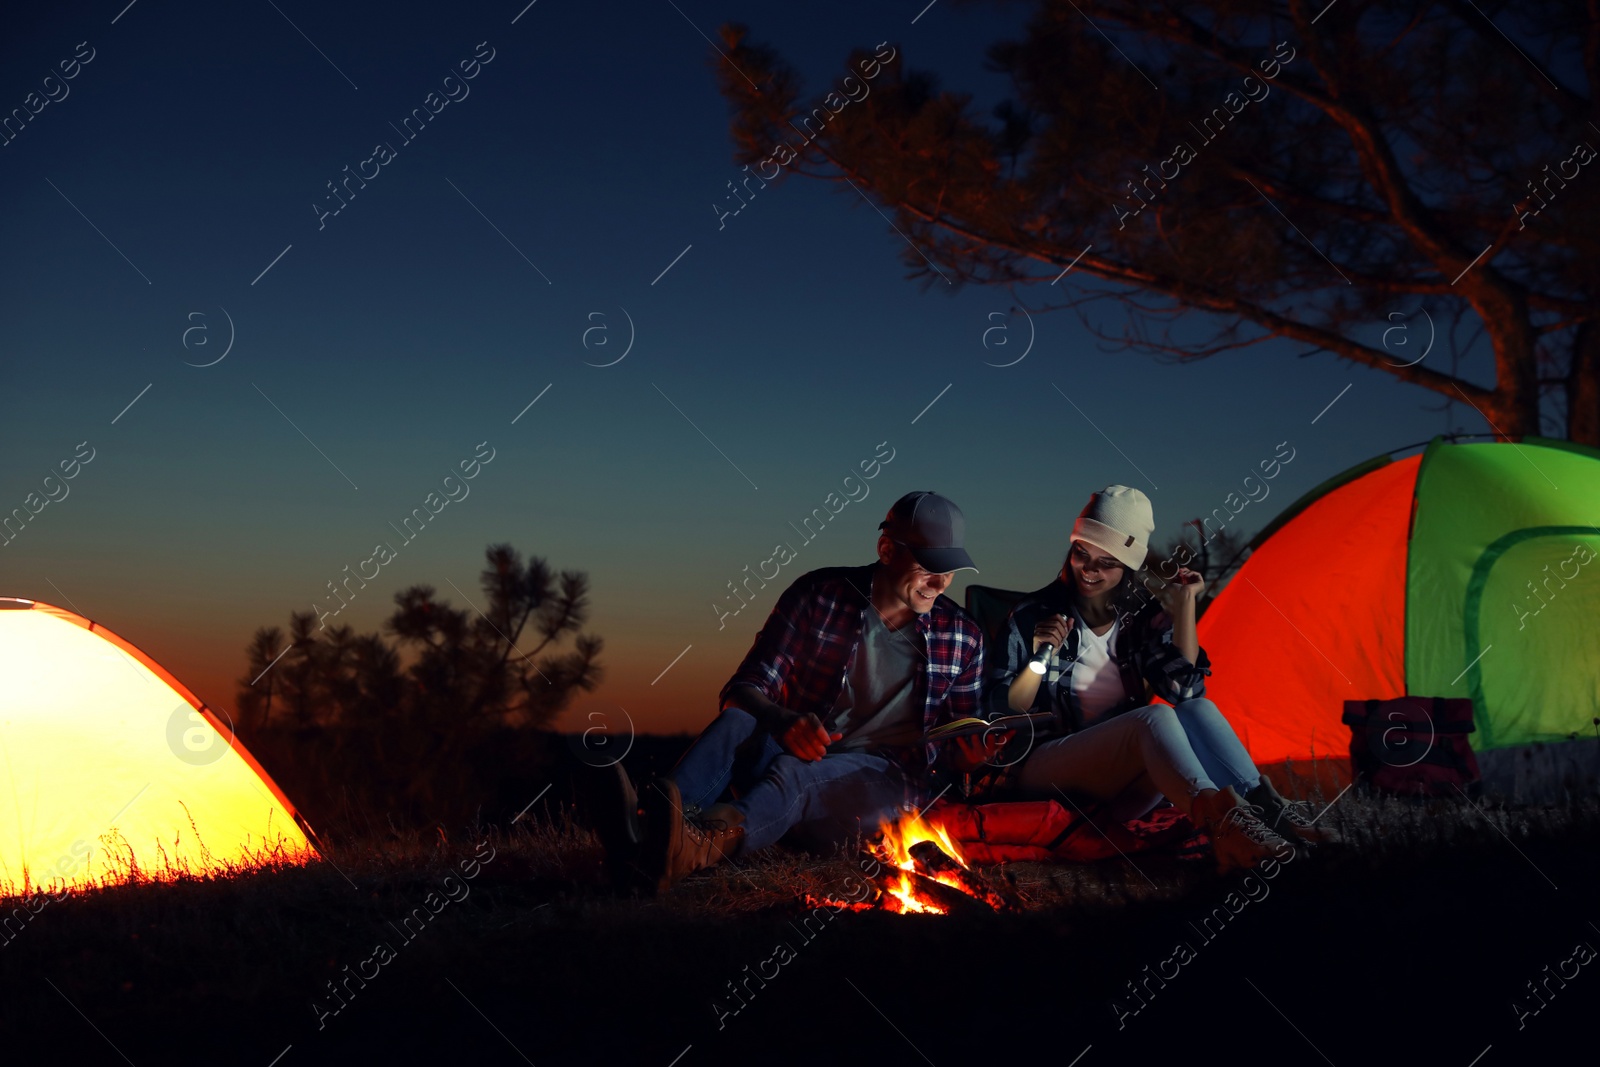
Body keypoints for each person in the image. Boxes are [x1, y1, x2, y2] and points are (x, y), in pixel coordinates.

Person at [591, 491, 991, 893]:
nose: (939, 583)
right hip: (790, 759)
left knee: (795, 772)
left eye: (950, 570)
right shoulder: (819, 595)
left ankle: (691, 849)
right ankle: (654, 830)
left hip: (881, 789)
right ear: (887, 550)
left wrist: (972, 756)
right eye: (927, 567)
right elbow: (744, 688)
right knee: (739, 721)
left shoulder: (963, 636)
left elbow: (956, 747)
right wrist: (780, 719)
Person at [980, 485, 1328, 873]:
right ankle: (1223, 825)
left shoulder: (1137, 620)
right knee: (1156, 718)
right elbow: (1002, 714)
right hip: (1045, 773)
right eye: (1082, 553)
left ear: (1128, 566)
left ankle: (1265, 808)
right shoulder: (1033, 615)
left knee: (1197, 708)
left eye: (1107, 562)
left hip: (1120, 784)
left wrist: (1184, 607)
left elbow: (1185, 690)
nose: (1090, 570)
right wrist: (1040, 656)